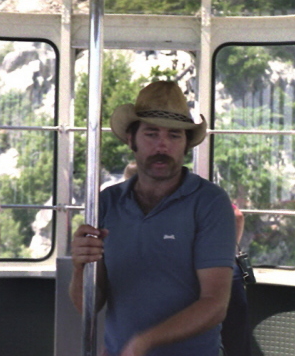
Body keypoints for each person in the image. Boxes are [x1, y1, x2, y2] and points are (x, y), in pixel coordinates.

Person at [70, 81, 236, 356]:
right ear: (131, 140)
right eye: (151, 133)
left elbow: (215, 304)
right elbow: (88, 304)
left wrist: (144, 342)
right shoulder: (106, 203)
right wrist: (79, 268)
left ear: (185, 146)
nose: (162, 145)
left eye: (174, 135)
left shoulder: (209, 202)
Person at [221, 205, 251, 356]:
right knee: (237, 336)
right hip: (228, 267)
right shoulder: (211, 195)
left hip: (192, 273)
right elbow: (237, 216)